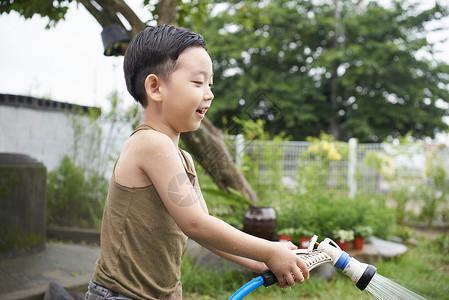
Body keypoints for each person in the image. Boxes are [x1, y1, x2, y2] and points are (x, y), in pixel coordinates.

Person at [86, 24, 309, 300]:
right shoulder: (150, 143)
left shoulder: (182, 157)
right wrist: (269, 250)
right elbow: (196, 225)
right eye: (198, 82)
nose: (209, 93)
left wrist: (262, 261)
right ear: (155, 87)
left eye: (210, 84)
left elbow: (204, 226)